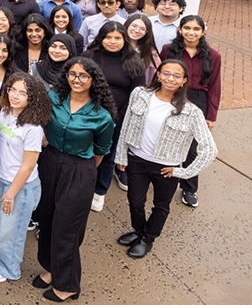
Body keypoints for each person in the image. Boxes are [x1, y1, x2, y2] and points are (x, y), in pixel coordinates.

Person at [114, 60, 218, 258]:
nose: (170, 78)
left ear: (184, 80)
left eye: (177, 76)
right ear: (159, 75)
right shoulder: (140, 94)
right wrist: (121, 154)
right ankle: (138, 231)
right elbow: (126, 124)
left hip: (166, 168)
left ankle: (148, 238)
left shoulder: (191, 112)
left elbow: (209, 149)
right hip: (137, 160)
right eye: (166, 73)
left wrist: (183, 172)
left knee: (161, 205)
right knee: (135, 201)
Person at [35, 58, 114, 303]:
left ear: (94, 81)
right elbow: (43, 124)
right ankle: (52, 269)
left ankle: (68, 285)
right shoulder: (53, 99)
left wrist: (81, 170)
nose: (76, 79)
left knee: (66, 227)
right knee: (47, 219)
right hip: (50, 162)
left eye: (83, 76)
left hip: (80, 168)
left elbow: (101, 151)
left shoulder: (102, 117)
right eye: (72, 74)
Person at [0, 72, 50, 283]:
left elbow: (28, 166)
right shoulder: (4, 112)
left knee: (10, 231)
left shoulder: (33, 128)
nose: (15, 96)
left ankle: (8, 268)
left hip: (21, 187)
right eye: (12, 90)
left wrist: (10, 194)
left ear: (32, 98)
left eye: (23, 93)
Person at [82, 22, 145, 211]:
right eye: (108, 37)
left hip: (116, 118)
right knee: (83, 151)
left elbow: (137, 94)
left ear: (124, 39)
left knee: (107, 154)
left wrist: (120, 117)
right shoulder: (89, 57)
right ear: (101, 38)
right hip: (86, 114)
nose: (112, 41)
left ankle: (99, 191)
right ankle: (82, 185)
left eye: (117, 38)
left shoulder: (134, 62)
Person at [160, 15, 221, 208]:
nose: (191, 32)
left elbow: (215, 86)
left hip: (198, 99)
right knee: (166, 139)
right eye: (187, 28)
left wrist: (211, 115)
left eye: (196, 29)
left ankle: (189, 188)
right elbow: (160, 76)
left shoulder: (213, 56)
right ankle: (162, 178)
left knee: (193, 148)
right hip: (171, 95)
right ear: (180, 29)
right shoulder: (168, 50)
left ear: (203, 32)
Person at [125, 14, 161, 85]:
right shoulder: (116, 45)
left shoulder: (150, 52)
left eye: (142, 29)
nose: (137, 30)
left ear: (146, 32)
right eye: (134, 26)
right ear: (127, 25)